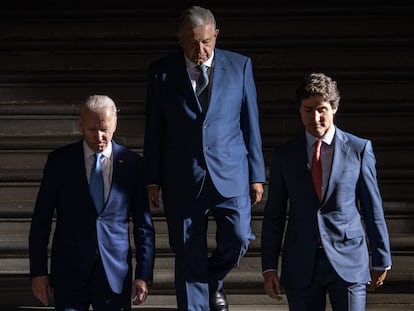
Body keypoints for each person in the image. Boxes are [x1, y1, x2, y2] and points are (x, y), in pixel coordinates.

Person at [143, 5, 266, 311]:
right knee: (187, 253)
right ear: (180, 38)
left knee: (238, 238)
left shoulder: (240, 66)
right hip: (183, 177)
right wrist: (152, 178)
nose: (200, 49)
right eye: (192, 41)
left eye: (206, 41)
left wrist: (257, 174)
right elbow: (153, 130)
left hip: (232, 172)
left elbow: (251, 123)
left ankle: (211, 282)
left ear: (217, 35)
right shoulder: (161, 72)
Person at [261, 72, 392, 311]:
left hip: (348, 259)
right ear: (300, 111)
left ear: (334, 107)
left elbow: (372, 207)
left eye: (321, 108)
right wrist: (269, 267)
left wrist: (381, 257)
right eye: (308, 110)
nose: (316, 117)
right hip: (301, 262)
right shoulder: (285, 154)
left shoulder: (358, 149)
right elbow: (274, 215)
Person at [29, 95, 155, 310]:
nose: (99, 136)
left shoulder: (133, 164)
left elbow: (143, 226)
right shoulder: (60, 161)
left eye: (104, 129)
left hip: (114, 274)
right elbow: (41, 219)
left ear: (115, 124)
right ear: (81, 125)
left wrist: (143, 275)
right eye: (91, 129)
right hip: (69, 271)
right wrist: (39, 272)